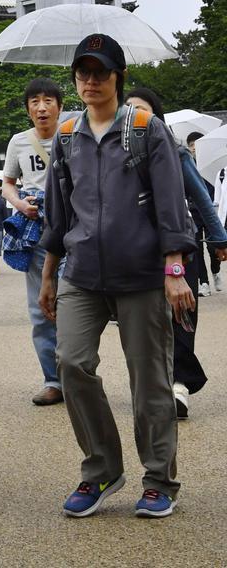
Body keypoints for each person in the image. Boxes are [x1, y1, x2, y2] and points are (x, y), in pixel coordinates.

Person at [39, 35, 197, 519]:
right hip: (82, 273)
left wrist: (175, 271)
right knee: (71, 362)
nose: (90, 80)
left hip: (143, 274)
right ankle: (102, 469)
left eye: (100, 72)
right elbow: (57, 214)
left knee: (149, 379)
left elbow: (173, 205)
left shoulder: (146, 130)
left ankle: (159, 479)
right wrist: (49, 276)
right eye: (82, 72)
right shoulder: (67, 136)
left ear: (117, 77)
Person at [125, 89, 227, 419]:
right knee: (148, 323)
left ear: (156, 117)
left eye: (141, 111)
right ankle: (157, 385)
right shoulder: (111, 154)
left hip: (180, 248)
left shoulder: (175, 151)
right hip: (135, 250)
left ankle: (180, 386)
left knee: (181, 314)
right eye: (128, 111)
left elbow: (200, 198)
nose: (133, 117)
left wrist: (218, 237)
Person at [1, 78, 65, 406]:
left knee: (76, 306)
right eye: (34, 102)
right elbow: (7, 183)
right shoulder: (19, 143)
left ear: (60, 105)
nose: (41, 107)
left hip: (76, 232)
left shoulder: (75, 133)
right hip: (36, 231)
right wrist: (19, 203)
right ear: (28, 109)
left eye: (48, 101)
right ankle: (54, 380)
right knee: (41, 308)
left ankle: (79, 374)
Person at [186, 132, 223, 296]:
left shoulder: (211, 167)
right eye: (191, 145)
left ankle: (216, 270)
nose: (194, 148)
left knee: (212, 247)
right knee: (197, 249)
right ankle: (204, 282)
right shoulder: (186, 164)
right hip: (192, 212)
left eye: (196, 144)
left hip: (207, 212)